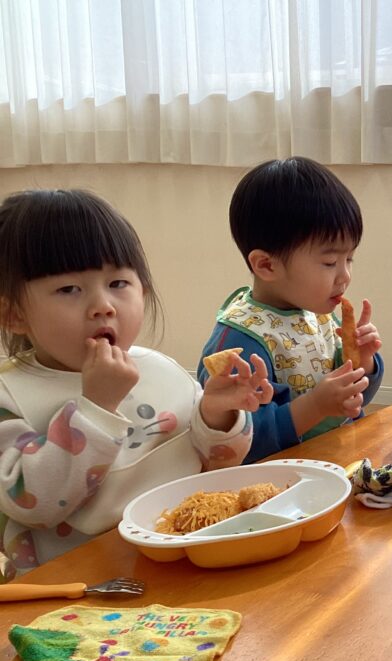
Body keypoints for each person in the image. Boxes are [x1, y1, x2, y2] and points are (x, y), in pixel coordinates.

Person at [0, 189, 270, 577]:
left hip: (190, 553)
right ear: (13, 315)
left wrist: (217, 416)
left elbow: (220, 462)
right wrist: (95, 409)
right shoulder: (12, 395)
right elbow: (34, 504)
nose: (102, 305)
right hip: (83, 584)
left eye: (118, 284)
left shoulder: (159, 369)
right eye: (68, 289)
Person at [198, 157, 384, 463]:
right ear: (267, 265)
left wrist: (364, 367)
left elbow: (348, 408)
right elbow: (242, 445)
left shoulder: (317, 312)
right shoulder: (240, 342)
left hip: (337, 461)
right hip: (279, 484)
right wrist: (316, 405)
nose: (345, 275)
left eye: (349, 259)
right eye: (329, 263)